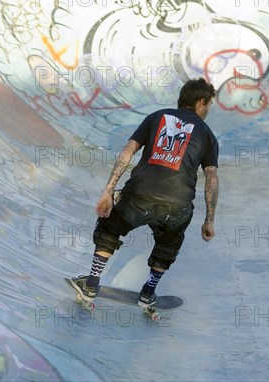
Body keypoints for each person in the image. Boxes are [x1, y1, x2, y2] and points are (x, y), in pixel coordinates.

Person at [69, 77, 219, 307]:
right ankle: (148, 293)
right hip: (177, 205)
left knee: (110, 228)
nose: (208, 111)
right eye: (208, 105)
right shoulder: (208, 135)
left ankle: (91, 284)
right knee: (167, 246)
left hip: (139, 194)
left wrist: (109, 191)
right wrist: (209, 220)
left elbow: (128, 151)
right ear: (201, 102)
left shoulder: (156, 117)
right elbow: (211, 177)